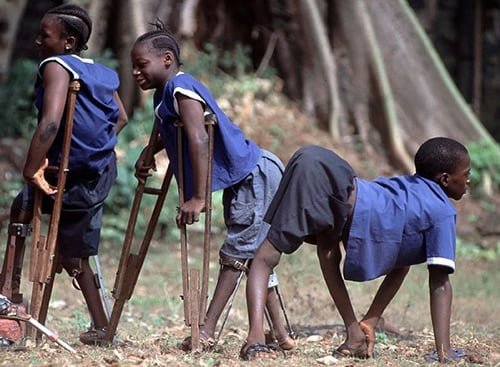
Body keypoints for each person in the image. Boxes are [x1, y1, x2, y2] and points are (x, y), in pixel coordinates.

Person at [131, 23, 294, 351]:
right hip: (244, 178)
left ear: (166, 59)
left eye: (141, 64)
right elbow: (168, 132)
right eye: (133, 65)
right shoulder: (165, 97)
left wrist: (200, 197)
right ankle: (282, 335)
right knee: (254, 252)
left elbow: (199, 136)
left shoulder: (182, 88)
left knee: (236, 254)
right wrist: (150, 152)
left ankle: (206, 330)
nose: (135, 72)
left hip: (254, 176)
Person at [241, 137, 471, 363]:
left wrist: (371, 319)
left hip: (327, 175)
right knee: (265, 258)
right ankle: (255, 339)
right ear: (445, 179)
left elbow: (402, 263)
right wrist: (445, 350)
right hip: (326, 179)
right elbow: (440, 284)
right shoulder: (442, 213)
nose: (469, 180)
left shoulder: (410, 190)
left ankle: (355, 334)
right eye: (466, 174)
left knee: (328, 253)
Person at [0, 4, 128, 346]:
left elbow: (52, 122)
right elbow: (122, 118)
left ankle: (9, 296)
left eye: (45, 35)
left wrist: (30, 168)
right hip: (98, 172)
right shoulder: (99, 71)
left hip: (66, 174)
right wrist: (95, 149)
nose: (38, 41)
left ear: (68, 42)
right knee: (60, 238)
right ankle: (100, 325)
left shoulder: (55, 66)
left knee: (43, 224)